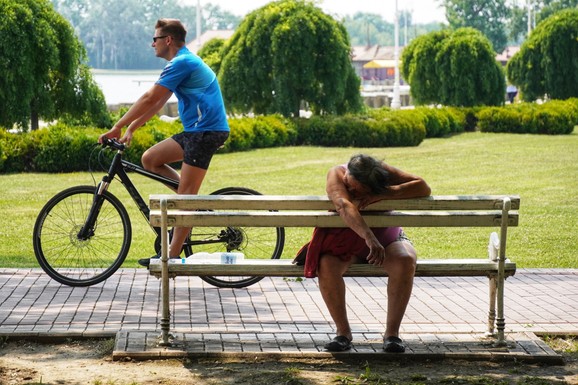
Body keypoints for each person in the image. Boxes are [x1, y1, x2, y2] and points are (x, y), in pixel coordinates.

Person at [98, 18, 229, 267]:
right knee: (150, 159)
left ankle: (171, 255)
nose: (152, 44)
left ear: (168, 40)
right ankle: (190, 204)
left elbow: (149, 97)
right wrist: (132, 128)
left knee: (185, 197)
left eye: (155, 39)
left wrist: (117, 127)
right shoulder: (180, 63)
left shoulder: (183, 62)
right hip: (195, 131)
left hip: (206, 132)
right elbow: (158, 102)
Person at [295, 154, 431, 353]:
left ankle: (392, 335)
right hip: (348, 241)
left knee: (405, 260)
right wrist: (368, 237)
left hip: (388, 238)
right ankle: (343, 333)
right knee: (327, 265)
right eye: (352, 185)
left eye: (362, 190)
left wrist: (385, 193)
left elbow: (422, 187)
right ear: (348, 174)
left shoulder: (382, 172)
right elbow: (343, 204)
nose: (352, 190)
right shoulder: (337, 173)